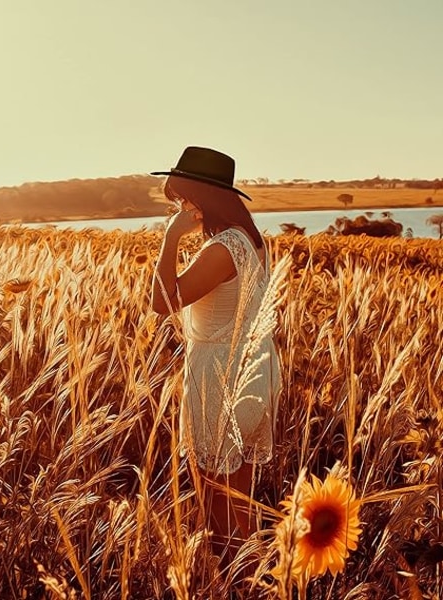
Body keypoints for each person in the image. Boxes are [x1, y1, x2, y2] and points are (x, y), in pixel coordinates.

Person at [150, 146, 282, 572]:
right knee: (238, 502)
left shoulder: (222, 249)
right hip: (251, 372)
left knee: (214, 505)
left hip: (219, 382)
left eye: (183, 200)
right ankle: (247, 579)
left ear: (202, 198)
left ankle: (229, 581)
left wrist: (171, 237)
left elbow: (162, 300)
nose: (181, 209)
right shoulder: (249, 242)